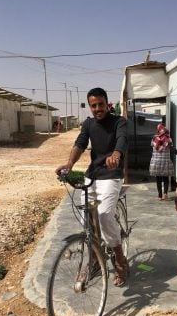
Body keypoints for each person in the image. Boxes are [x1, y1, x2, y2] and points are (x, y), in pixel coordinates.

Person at [55, 87, 129, 287]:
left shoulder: (118, 122)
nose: (97, 109)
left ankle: (120, 257)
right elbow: (80, 143)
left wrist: (116, 155)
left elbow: (122, 140)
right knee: (86, 218)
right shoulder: (88, 124)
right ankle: (95, 260)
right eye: (93, 105)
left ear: (107, 104)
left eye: (101, 105)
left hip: (112, 174)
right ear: (90, 106)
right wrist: (69, 165)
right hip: (93, 175)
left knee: (104, 216)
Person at [149, 124, 177, 200]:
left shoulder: (154, 138)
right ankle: (165, 194)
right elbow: (172, 150)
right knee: (166, 179)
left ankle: (160, 196)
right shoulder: (168, 139)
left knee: (158, 179)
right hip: (165, 163)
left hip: (156, 163)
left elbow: (152, 147)